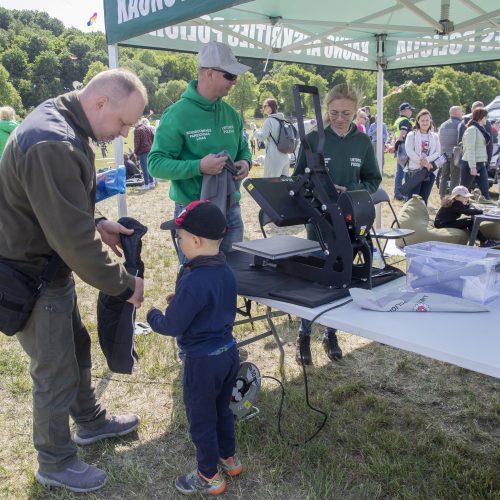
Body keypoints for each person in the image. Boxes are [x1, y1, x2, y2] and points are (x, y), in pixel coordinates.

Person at [0, 69, 147, 493]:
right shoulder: (53, 140)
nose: (122, 134)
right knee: (54, 368)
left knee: (75, 347)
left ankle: (89, 421)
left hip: (47, 268)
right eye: (123, 123)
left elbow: (58, 205)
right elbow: (71, 238)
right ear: (100, 102)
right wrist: (124, 284)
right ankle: (56, 460)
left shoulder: (66, 122)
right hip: (31, 276)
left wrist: (98, 221)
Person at [147, 200, 241, 496]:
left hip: (202, 363)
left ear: (196, 240)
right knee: (222, 410)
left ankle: (209, 475)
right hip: (228, 353)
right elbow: (211, 304)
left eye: (181, 237)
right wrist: (185, 301)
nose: (179, 242)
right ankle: (229, 458)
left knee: (202, 419)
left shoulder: (194, 280)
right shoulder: (225, 269)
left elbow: (172, 326)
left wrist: (153, 316)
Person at [293, 83, 382, 365]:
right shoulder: (312, 139)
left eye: (346, 113)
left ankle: (330, 332)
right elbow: (296, 181)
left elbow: (373, 180)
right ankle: (303, 333)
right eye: (334, 112)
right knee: (313, 281)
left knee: (341, 280)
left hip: (350, 223)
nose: (340, 118)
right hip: (318, 223)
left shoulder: (362, 142)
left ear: (357, 112)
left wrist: (352, 190)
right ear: (325, 110)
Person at [148, 41, 252, 259]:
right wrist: (199, 167)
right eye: (230, 76)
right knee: (195, 276)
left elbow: (244, 150)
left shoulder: (231, 114)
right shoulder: (177, 114)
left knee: (233, 276)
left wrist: (245, 163)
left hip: (230, 209)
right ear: (210, 73)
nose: (235, 82)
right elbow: (155, 165)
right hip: (194, 212)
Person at [404, 108, 441, 205]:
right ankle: (410, 219)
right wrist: (422, 162)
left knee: (424, 199)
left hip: (429, 171)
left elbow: (438, 152)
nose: (425, 122)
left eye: (427, 120)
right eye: (422, 120)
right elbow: (409, 151)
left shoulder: (435, 136)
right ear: (418, 121)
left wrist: (427, 161)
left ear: (430, 121)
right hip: (414, 171)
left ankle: (421, 219)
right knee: (413, 200)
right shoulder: (411, 135)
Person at [253, 98, 290, 177]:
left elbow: (262, 136)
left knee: (271, 183)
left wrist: (254, 129)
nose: (263, 108)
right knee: (284, 182)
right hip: (285, 155)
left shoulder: (269, 120)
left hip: (274, 154)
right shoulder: (283, 120)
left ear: (270, 107)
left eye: (264, 106)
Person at [461, 107, 491, 199]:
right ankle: (452, 210)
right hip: (470, 164)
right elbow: (470, 149)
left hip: (480, 164)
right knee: (463, 191)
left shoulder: (481, 129)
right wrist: (473, 166)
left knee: (485, 191)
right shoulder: (472, 129)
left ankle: (488, 212)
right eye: (486, 117)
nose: (487, 119)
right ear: (481, 117)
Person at [437, 106, 463, 198]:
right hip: (455, 155)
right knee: (455, 178)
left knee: (444, 176)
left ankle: (442, 196)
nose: (462, 114)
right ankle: (453, 198)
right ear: (456, 113)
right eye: (461, 112)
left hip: (443, 154)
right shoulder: (460, 124)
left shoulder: (443, 125)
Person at [393, 102, 415, 200]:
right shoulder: (406, 121)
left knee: (399, 172)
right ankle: (405, 194)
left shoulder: (398, 120)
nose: (411, 112)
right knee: (407, 171)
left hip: (399, 147)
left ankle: (397, 193)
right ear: (405, 110)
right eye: (410, 109)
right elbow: (402, 135)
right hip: (405, 147)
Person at [134, 117, 156, 189]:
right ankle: (152, 182)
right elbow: (153, 138)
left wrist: (135, 152)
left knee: (144, 168)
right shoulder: (147, 128)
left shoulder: (137, 130)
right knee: (149, 167)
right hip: (149, 149)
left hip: (142, 151)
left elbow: (137, 143)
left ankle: (146, 184)